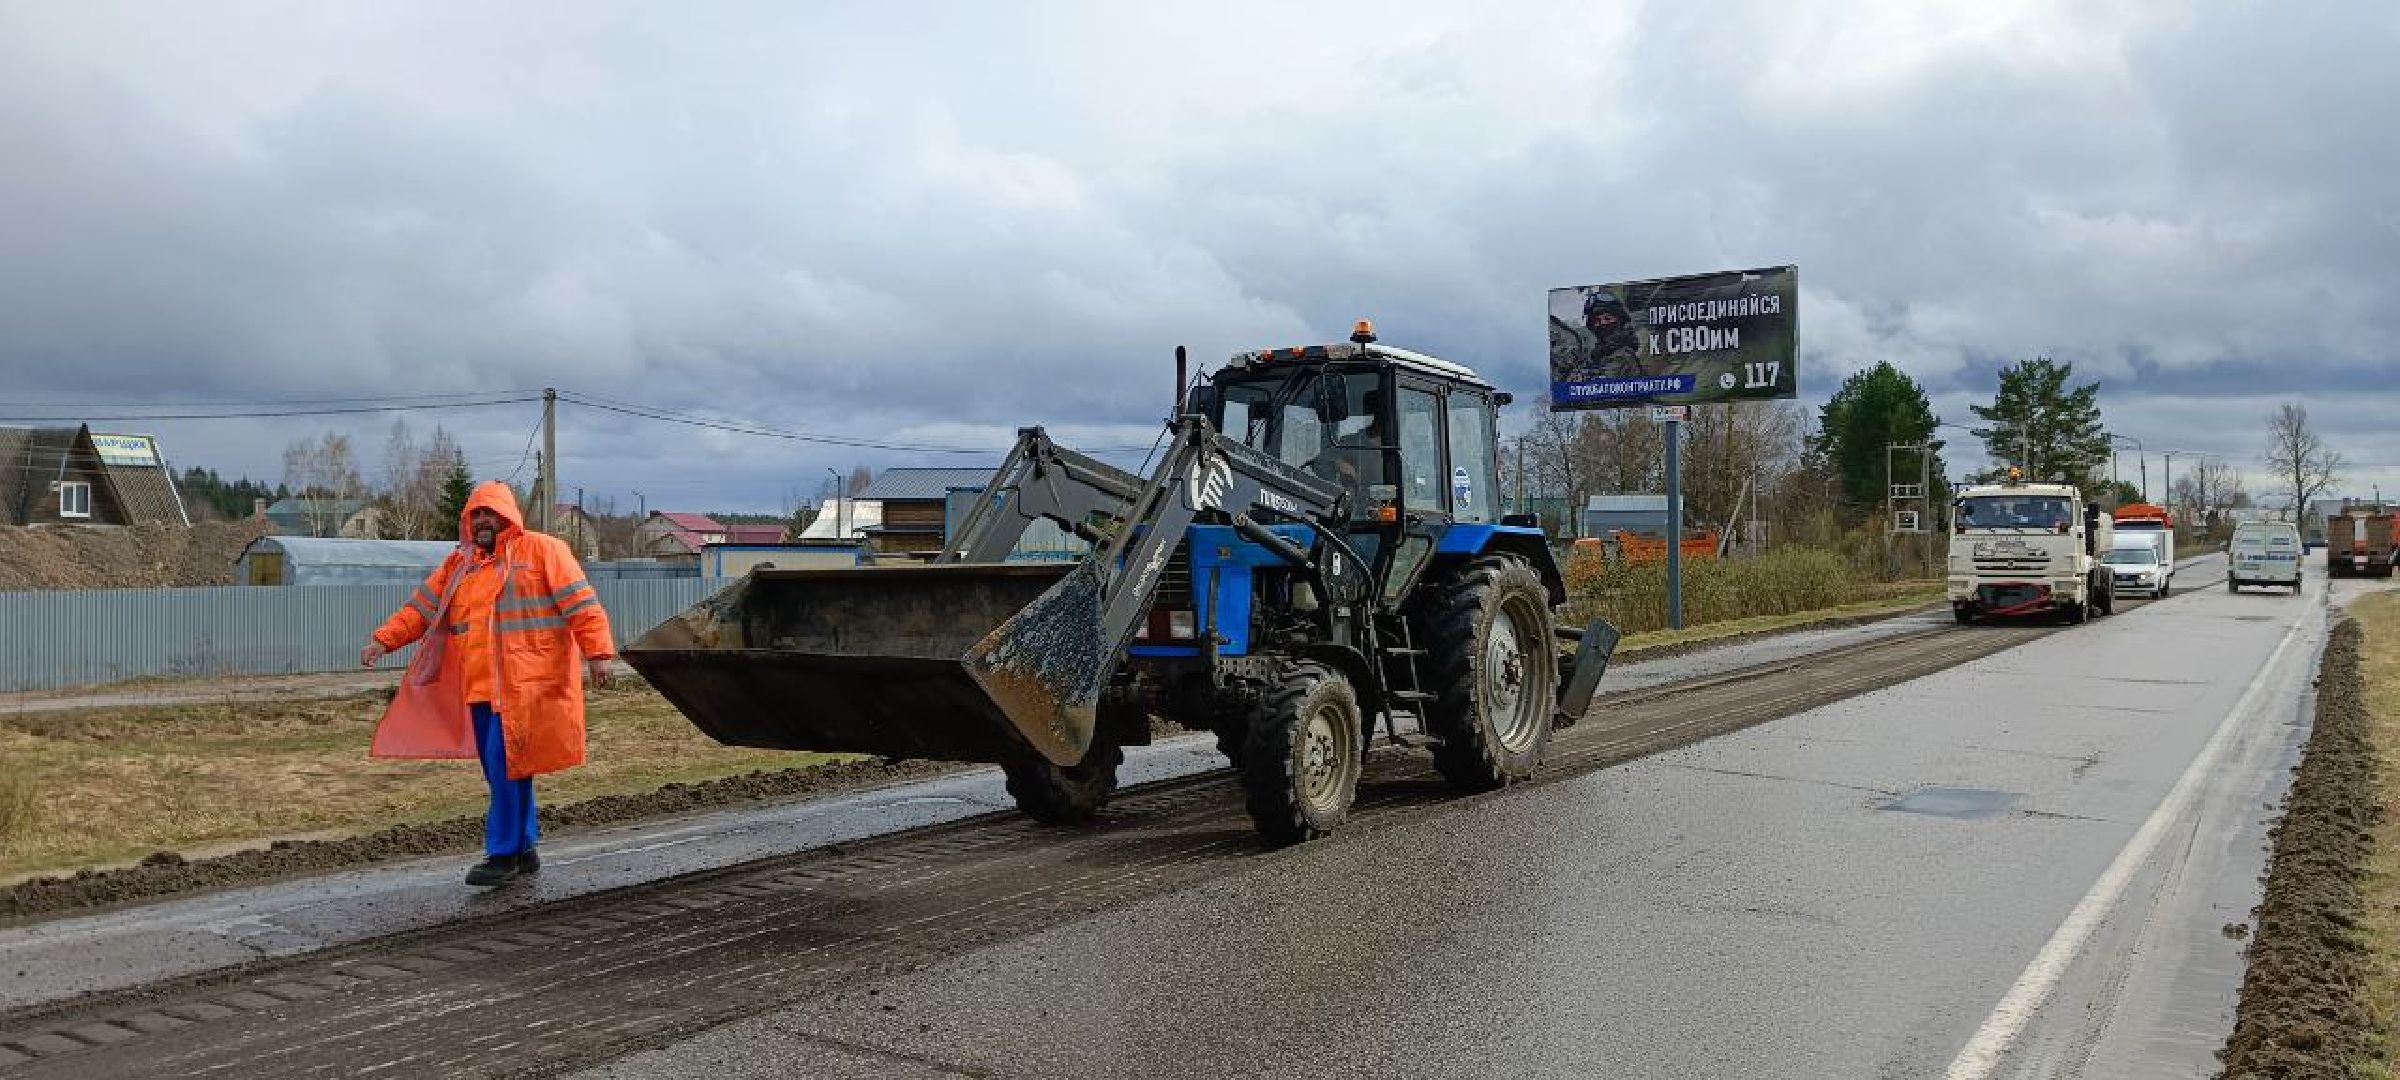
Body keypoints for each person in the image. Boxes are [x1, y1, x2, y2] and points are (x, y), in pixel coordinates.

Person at [360, 481, 615, 887]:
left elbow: (583, 606)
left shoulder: (544, 551)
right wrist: (383, 640)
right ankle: (524, 847)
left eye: (489, 513)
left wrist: (599, 655)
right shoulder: (460, 565)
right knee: (510, 768)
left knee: (505, 769)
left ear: (507, 516)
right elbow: (421, 609)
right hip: (479, 688)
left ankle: (503, 854)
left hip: (527, 686)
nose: (481, 520)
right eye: (474, 514)